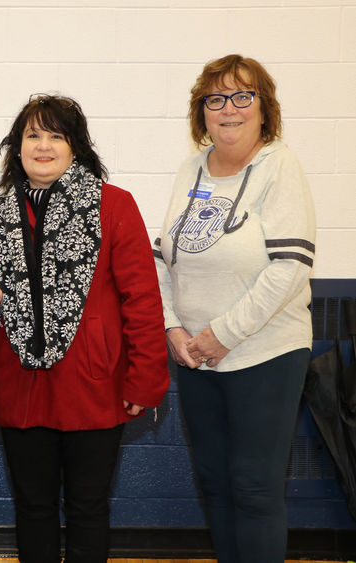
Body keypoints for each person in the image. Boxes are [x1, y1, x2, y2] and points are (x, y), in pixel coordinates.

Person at [0, 94, 169, 563]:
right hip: (20, 386)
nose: (44, 145)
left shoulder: (114, 205)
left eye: (57, 135)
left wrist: (146, 379)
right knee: (32, 507)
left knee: (89, 508)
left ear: (76, 148)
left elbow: (143, 300)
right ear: (17, 147)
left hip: (94, 384)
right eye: (33, 135)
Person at [153, 54, 316, 563]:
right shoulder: (191, 168)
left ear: (264, 109)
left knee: (253, 489)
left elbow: (290, 266)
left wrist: (221, 334)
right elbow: (163, 257)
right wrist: (172, 327)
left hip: (264, 353)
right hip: (195, 356)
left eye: (243, 97)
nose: (229, 109)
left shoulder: (280, 167)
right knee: (216, 485)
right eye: (215, 99)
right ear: (201, 112)